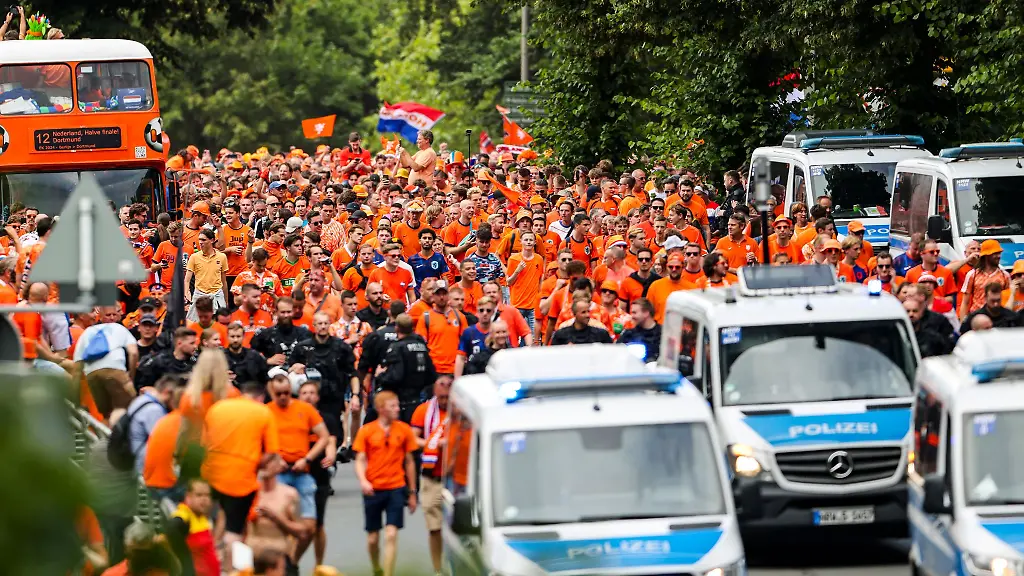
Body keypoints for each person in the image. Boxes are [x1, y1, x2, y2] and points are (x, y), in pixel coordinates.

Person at [201, 379, 280, 571]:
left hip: (209, 475)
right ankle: (231, 570)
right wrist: (255, 464)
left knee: (212, 524)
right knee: (234, 530)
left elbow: (203, 443)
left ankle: (208, 565)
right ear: (260, 397)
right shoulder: (263, 412)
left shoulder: (217, 408)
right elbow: (271, 452)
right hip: (240, 480)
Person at [265, 373, 332, 570]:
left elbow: (324, 436)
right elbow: (258, 439)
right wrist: (275, 458)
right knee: (279, 525)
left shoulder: (304, 409)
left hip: (302, 472)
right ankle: (282, 566)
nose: (283, 397)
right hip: (278, 473)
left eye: (287, 392)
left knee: (309, 527)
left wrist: (307, 459)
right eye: (279, 394)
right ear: (272, 392)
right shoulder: (266, 412)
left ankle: (292, 561)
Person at [353, 390, 419, 576]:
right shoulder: (367, 431)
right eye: (393, 406)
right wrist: (363, 481)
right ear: (381, 409)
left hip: (396, 486)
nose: (398, 409)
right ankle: (376, 567)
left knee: (391, 534)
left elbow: (409, 461)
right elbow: (360, 459)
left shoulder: (403, 430)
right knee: (373, 538)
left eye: (397, 405)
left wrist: (412, 492)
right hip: (373, 488)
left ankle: (388, 573)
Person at [410, 375, 451, 575]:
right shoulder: (423, 411)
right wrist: (433, 444)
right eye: (441, 397)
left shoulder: (462, 411)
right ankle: (438, 569)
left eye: (447, 397)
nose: (444, 401)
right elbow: (412, 440)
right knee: (435, 527)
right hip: (431, 477)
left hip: (456, 479)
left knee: (458, 528)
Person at [73, 308, 140, 421]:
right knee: (133, 408)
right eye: (109, 315)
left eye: (114, 314)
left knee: (106, 415)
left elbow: (77, 371)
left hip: (92, 375)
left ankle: (108, 437)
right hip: (115, 370)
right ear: (101, 316)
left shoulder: (87, 332)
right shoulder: (119, 328)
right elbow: (133, 353)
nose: (112, 317)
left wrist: (75, 402)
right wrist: (130, 377)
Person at [375, 313, 438, 424]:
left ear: (397, 328)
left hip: (402, 403)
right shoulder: (422, 345)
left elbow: (395, 377)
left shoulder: (397, 348)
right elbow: (432, 376)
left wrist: (380, 376)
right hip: (419, 400)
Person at [166, 479, 220, 576]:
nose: (204, 499)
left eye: (207, 495)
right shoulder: (184, 514)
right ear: (188, 497)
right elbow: (171, 528)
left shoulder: (202, 516)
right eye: (199, 495)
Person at [184, 228, 229, 319]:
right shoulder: (194, 257)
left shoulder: (222, 257)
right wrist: (187, 293)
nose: (200, 242)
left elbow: (224, 281)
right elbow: (187, 280)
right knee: (193, 325)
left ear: (212, 240)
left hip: (217, 295)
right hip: (199, 295)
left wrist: (226, 301)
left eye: (203, 240)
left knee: (220, 325)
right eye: (199, 239)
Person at [550, 299, 615, 345]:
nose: (587, 315)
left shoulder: (601, 334)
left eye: (588, 311)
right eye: (583, 312)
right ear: (574, 314)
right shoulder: (561, 335)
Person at [617, 297, 662, 362]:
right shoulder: (628, 334)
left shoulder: (663, 334)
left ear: (646, 313)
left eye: (634, 313)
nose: (632, 316)